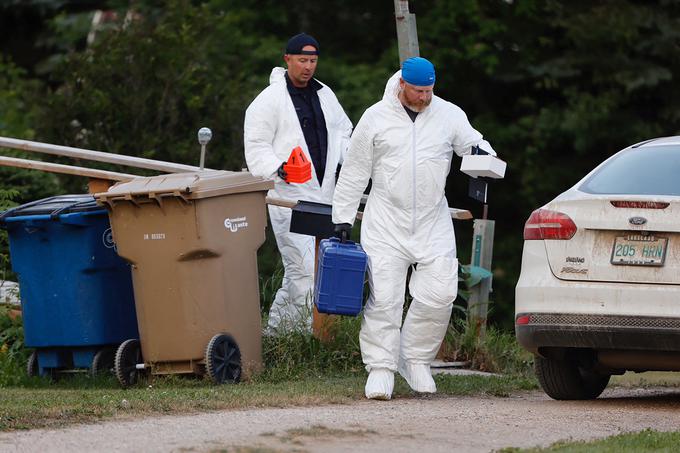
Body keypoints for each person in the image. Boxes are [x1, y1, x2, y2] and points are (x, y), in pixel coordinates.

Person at [332, 57, 496, 400]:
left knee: (441, 293)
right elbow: (354, 172)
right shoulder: (375, 117)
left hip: (432, 221)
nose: (424, 97)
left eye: (429, 91)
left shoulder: (449, 114)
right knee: (385, 299)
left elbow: (476, 144)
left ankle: (415, 357)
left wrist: (484, 154)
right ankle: (380, 367)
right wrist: (342, 219)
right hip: (385, 221)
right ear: (402, 85)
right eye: (418, 91)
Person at [244, 33, 352, 334]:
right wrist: (280, 170)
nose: (308, 67)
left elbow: (344, 131)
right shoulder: (269, 101)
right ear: (287, 59)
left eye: (313, 61)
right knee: (302, 267)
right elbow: (256, 145)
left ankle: (282, 333)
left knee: (315, 269)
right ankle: (305, 334)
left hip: (324, 194)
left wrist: (348, 160)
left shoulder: (325, 94)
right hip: (289, 196)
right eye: (302, 60)